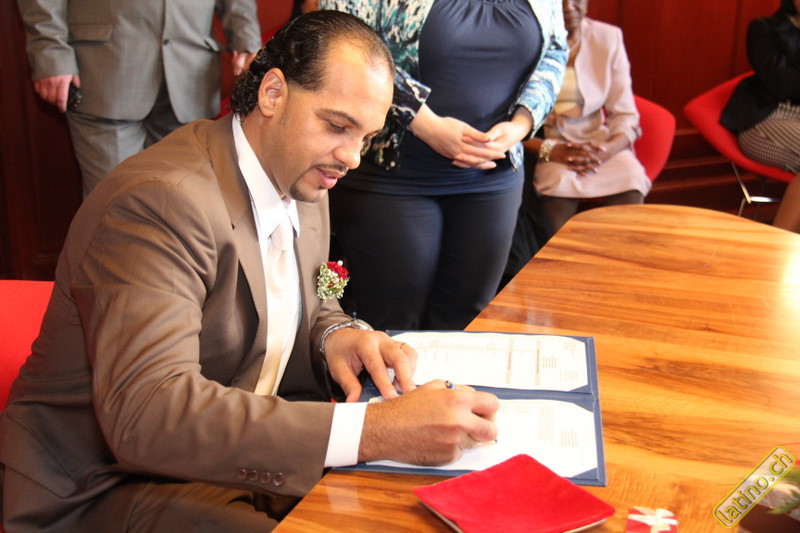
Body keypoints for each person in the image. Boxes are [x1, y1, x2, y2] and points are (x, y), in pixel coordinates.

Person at [0, 12, 499, 532]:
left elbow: (312, 300)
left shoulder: (305, 172)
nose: (352, 157)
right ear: (273, 93)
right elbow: (148, 414)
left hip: (237, 459)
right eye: (337, 125)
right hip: (108, 485)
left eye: (367, 136)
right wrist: (371, 429)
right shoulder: (159, 204)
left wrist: (336, 334)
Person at [319, 0, 568, 331]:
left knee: (466, 322)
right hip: (393, 175)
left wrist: (521, 124)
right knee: (393, 322)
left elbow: (555, 50)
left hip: (493, 176)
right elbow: (345, 43)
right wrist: (426, 124)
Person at [15, 0, 263, 198]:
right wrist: (49, 49)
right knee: (113, 206)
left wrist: (247, 41)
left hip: (191, 75)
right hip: (104, 72)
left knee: (182, 208)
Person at [526, 0, 650, 234]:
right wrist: (551, 150)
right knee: (558, 190)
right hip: (548, 144)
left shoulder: (608, 37)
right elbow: (509, 119)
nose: (568, 7)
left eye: (576, 0)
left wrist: (606, 150)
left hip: (597, 143)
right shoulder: (528, 38)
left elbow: (625, 114)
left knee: (631, 179)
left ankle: (622, 254)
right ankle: (560, 256)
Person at [720, 0, 800, 233]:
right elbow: (782, 86)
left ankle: (782, 247)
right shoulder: (765, 29)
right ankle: (778, 246)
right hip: (767, 120)